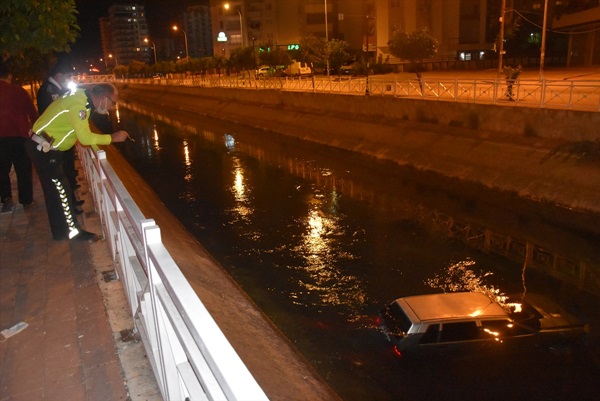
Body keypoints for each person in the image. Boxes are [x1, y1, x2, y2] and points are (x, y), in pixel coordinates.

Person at [26, 83, 130, 241]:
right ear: (103, 98)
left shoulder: (81, 96)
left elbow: (79, 130)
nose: (112, 107)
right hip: (45, 150)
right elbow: (85, 138)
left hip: (44, 147)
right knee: (62, 192)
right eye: (113, 103)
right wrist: (112, 138)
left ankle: (61, 232)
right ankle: (72, 232)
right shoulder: (79, 106)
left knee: (55, 193)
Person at [36, 59, 83, 212]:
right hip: (55, 141)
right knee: (62, 174)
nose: (70, 79)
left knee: (67, 170)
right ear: (59, 75)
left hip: (61, 140)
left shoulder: (58, 89)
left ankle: (71, 203)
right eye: (68, 76)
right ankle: (69, 207)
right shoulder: (48, 91)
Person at [0, 59, 39, 213]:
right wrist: (36, 130)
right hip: (20, 136)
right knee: (23, 169)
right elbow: (32, 113)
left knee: (1, 170)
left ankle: (6, 199)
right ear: (9, 76)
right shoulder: (18, 91)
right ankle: (26, 201)